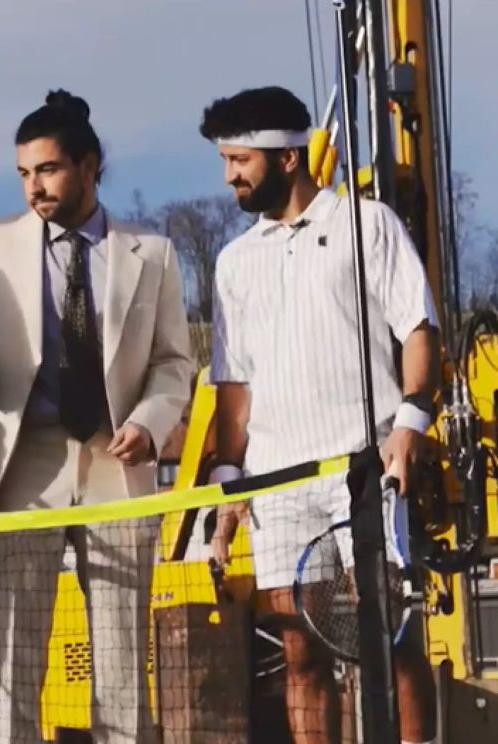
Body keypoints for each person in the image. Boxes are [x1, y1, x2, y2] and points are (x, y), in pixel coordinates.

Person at [0, 89, 193, 744]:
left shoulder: (152, 254)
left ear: (88, 165)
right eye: (23, 174)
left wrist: (152, 422)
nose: (33, 188)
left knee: (123, 663)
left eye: (46, 170)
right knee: (15, 659)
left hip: (118, 465)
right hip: (21, 471)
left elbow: (173, 363)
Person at [201, 85, 438, 744]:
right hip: (276, 483)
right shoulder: (232, 263)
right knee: (299, 655)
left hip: (362, 471)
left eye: (240, 161)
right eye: (225, 162)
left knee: (389, 640)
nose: (230, 177)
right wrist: (230, 480)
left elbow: (419, 328)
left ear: (286, 159)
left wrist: (410, 425)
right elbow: (234, 383)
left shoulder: (369, 225)